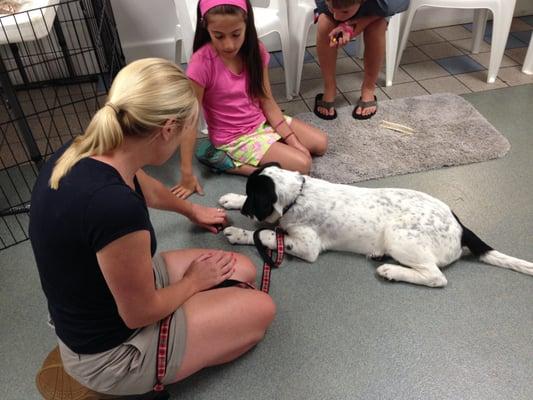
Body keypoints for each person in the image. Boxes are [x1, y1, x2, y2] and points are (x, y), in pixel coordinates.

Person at [29, 58, 275, 397]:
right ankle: (134, 374)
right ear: (168, 129)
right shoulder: (114, 209)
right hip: (110, 354)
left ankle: (193, 323)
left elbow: (143, 185)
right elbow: (139, 313)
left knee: (241, 269)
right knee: (261, 311)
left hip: (104, 298)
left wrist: (192, 211)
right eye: (187, 129)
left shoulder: (85, 150)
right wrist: (192, 283)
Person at [172, 0, 328, 192]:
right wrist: (186, 173)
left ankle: (270, 149)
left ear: (247, 24)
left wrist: (293, 140)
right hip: (233, 137)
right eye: (218, 36)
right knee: (302, 165)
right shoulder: (201, 63)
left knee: (320, 144)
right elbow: (190, 120)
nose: (229, 45)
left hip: (261, 122)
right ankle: (230, 163)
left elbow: (267, 100)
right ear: (206, 28)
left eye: (236, 34)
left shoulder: (256, 50)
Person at [314, 0, 408, 120]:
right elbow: (330, 12)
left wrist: (351, 27)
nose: (337, 16)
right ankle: (329, 87)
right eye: (333, 9)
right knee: (324, 24)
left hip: (376, 10)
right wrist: (339, 15)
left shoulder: (387, 3)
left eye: (344, 11)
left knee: (376, 28)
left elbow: (395, 6)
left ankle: (368, 88)